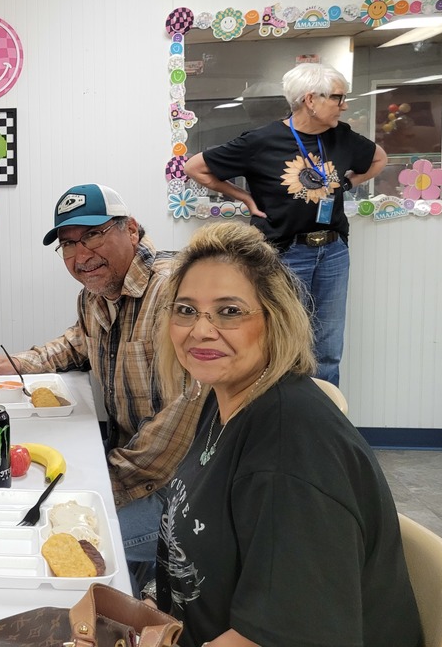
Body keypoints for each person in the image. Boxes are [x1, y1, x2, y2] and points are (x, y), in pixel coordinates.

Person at [149, 221, 420, 647]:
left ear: (275, 319)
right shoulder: (223, 398)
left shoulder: (288, 453)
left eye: (229, 311)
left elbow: (285, 636)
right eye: (185, 310)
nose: (200, 330)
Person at [0, 184, 203, 588]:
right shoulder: (96, 295)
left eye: (93, 235)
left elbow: (187, 411)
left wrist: (100, 479)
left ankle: (148, 595)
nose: (81, 255)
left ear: (131, 229)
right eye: (68, 243)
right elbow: (77, 341)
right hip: (128, 460)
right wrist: (18, 362)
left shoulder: (173, 292)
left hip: (183, 488)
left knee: (45, 545)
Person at [184, 63, 388, 385]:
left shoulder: (342, 137)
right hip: (283, 253)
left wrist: (348, 184)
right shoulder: (261, 141)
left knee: (328, 349)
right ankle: (282, 412)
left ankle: (322, 414)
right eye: (338, 97)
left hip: (333, 251)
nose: (344, 105)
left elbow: (379, 159)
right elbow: (195, 167)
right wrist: (244, 197)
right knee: (283, 344)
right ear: (311, 100)